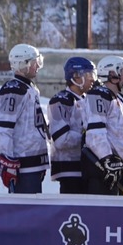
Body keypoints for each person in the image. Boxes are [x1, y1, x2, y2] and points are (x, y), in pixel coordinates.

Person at [0, 43, 49, 193]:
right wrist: (8, 160)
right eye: (35, 62)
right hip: (22, 164)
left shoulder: (30, 88)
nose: (38, 66)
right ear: (24, 64)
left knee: (34, 211)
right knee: (26, 213)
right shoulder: (14, 89)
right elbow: (2, 130)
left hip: (33, 162)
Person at [83, 55, 123, 195]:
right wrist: (107, 158)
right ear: (112, 74)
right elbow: (95, 134)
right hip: (102, 170)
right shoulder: (98, 94)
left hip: (119, 169)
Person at [48, 57, 95, 194]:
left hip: (88, 168)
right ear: (76, 77)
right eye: (88, 75)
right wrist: (90, 137)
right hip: (70, 169)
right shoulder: (61, 100)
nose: (92, 79)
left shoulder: (89, 100)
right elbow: (61, 139)